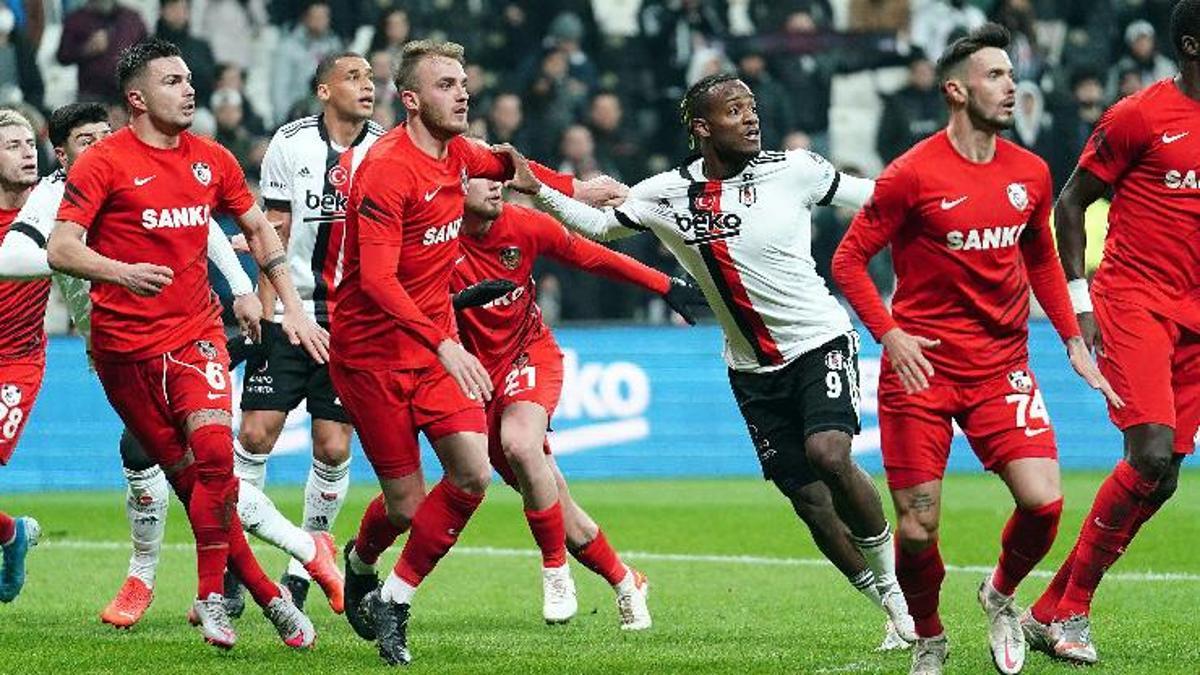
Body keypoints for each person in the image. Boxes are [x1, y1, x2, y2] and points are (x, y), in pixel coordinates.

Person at [505, 71, 919, 653]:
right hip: (749, 368)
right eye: (734, 110)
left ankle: (900, 594)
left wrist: (938, 193)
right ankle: (890, 612)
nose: (750, 117)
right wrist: (541, 190)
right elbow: (600, 227)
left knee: (830, 453)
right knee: (808, 502)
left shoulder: (795, 169)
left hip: (819, 342)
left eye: (752, 107)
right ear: (702, 128)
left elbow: (875, 197)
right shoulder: (663, 192)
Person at [830, 24, 1119, 675]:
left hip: (1001, 365)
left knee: (1044, 501)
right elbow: (848, 260)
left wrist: (1073, 337)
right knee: (916, 527)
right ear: (957, 90)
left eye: (1012, 74)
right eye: (995, 75)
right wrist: (891, 333)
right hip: (922, 368)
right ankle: (929, 636)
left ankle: (1001, 594)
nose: (1012, 84)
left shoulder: (1032, 172)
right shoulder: (911, 174)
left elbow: (1041, 255)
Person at [329, 39, 609, 666]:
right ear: (410, 100)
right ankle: (360, 559)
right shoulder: (385, 169)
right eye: (446, 84)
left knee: (473, 474)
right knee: (404, 504)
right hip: (372, 356)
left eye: (463, 82)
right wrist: (441, 342)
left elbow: (514, 166)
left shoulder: (461, 153)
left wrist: (578, 189)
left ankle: (396, 603)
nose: (462, 93)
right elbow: (376, 280)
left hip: (433, 349)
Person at [46, 38, 326, 650]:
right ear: (138, 97)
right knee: (187, 479)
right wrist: (119, 272)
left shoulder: (213, 160)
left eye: (190, 78)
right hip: (123, 354)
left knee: (216, 460)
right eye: (173, 80)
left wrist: (292, 309)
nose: (189, 88)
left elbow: (257, 227)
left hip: (195, 333)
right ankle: (269, 595)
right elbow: (61, 248)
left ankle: (210, 597)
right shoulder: (104, 163)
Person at [1022, 0, 1200, 665]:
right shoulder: (1140, 115)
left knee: (1166, 477)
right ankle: (1072, 610)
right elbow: (1071, 201)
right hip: (1133, 302)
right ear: (1189, 44)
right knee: (1150, 451)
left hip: (1195, 314)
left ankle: (1046, 607)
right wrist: (1080, 301)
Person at [453, 178, 705, 627]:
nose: (495, 189)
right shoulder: (434, 239)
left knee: (520, 444)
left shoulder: (523, 224)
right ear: (455, 184)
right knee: (560, 508)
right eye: (483, 180)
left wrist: (664, 284)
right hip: (476, 379)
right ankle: (628, 582)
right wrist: (450, 304)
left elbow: (592, 255)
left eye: (498, 180)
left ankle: (554, 572)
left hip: (530, 354)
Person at [228, 50, 383, 614]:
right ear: (324, 90)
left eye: (371, 78)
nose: (368, 86)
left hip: (353, 328)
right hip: (291, 315)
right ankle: (234, 563)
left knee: (333, 445)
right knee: (255, 435)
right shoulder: (289, 143)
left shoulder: (384, 150)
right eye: (354, 78)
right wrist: (268, 317)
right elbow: (275, 230)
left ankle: (301, 566)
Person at [0, 108, 42, 604]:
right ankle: (11, 533)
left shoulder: (49, 210)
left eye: (30, 143)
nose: (27, 151)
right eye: (13, 145)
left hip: (16, 362)